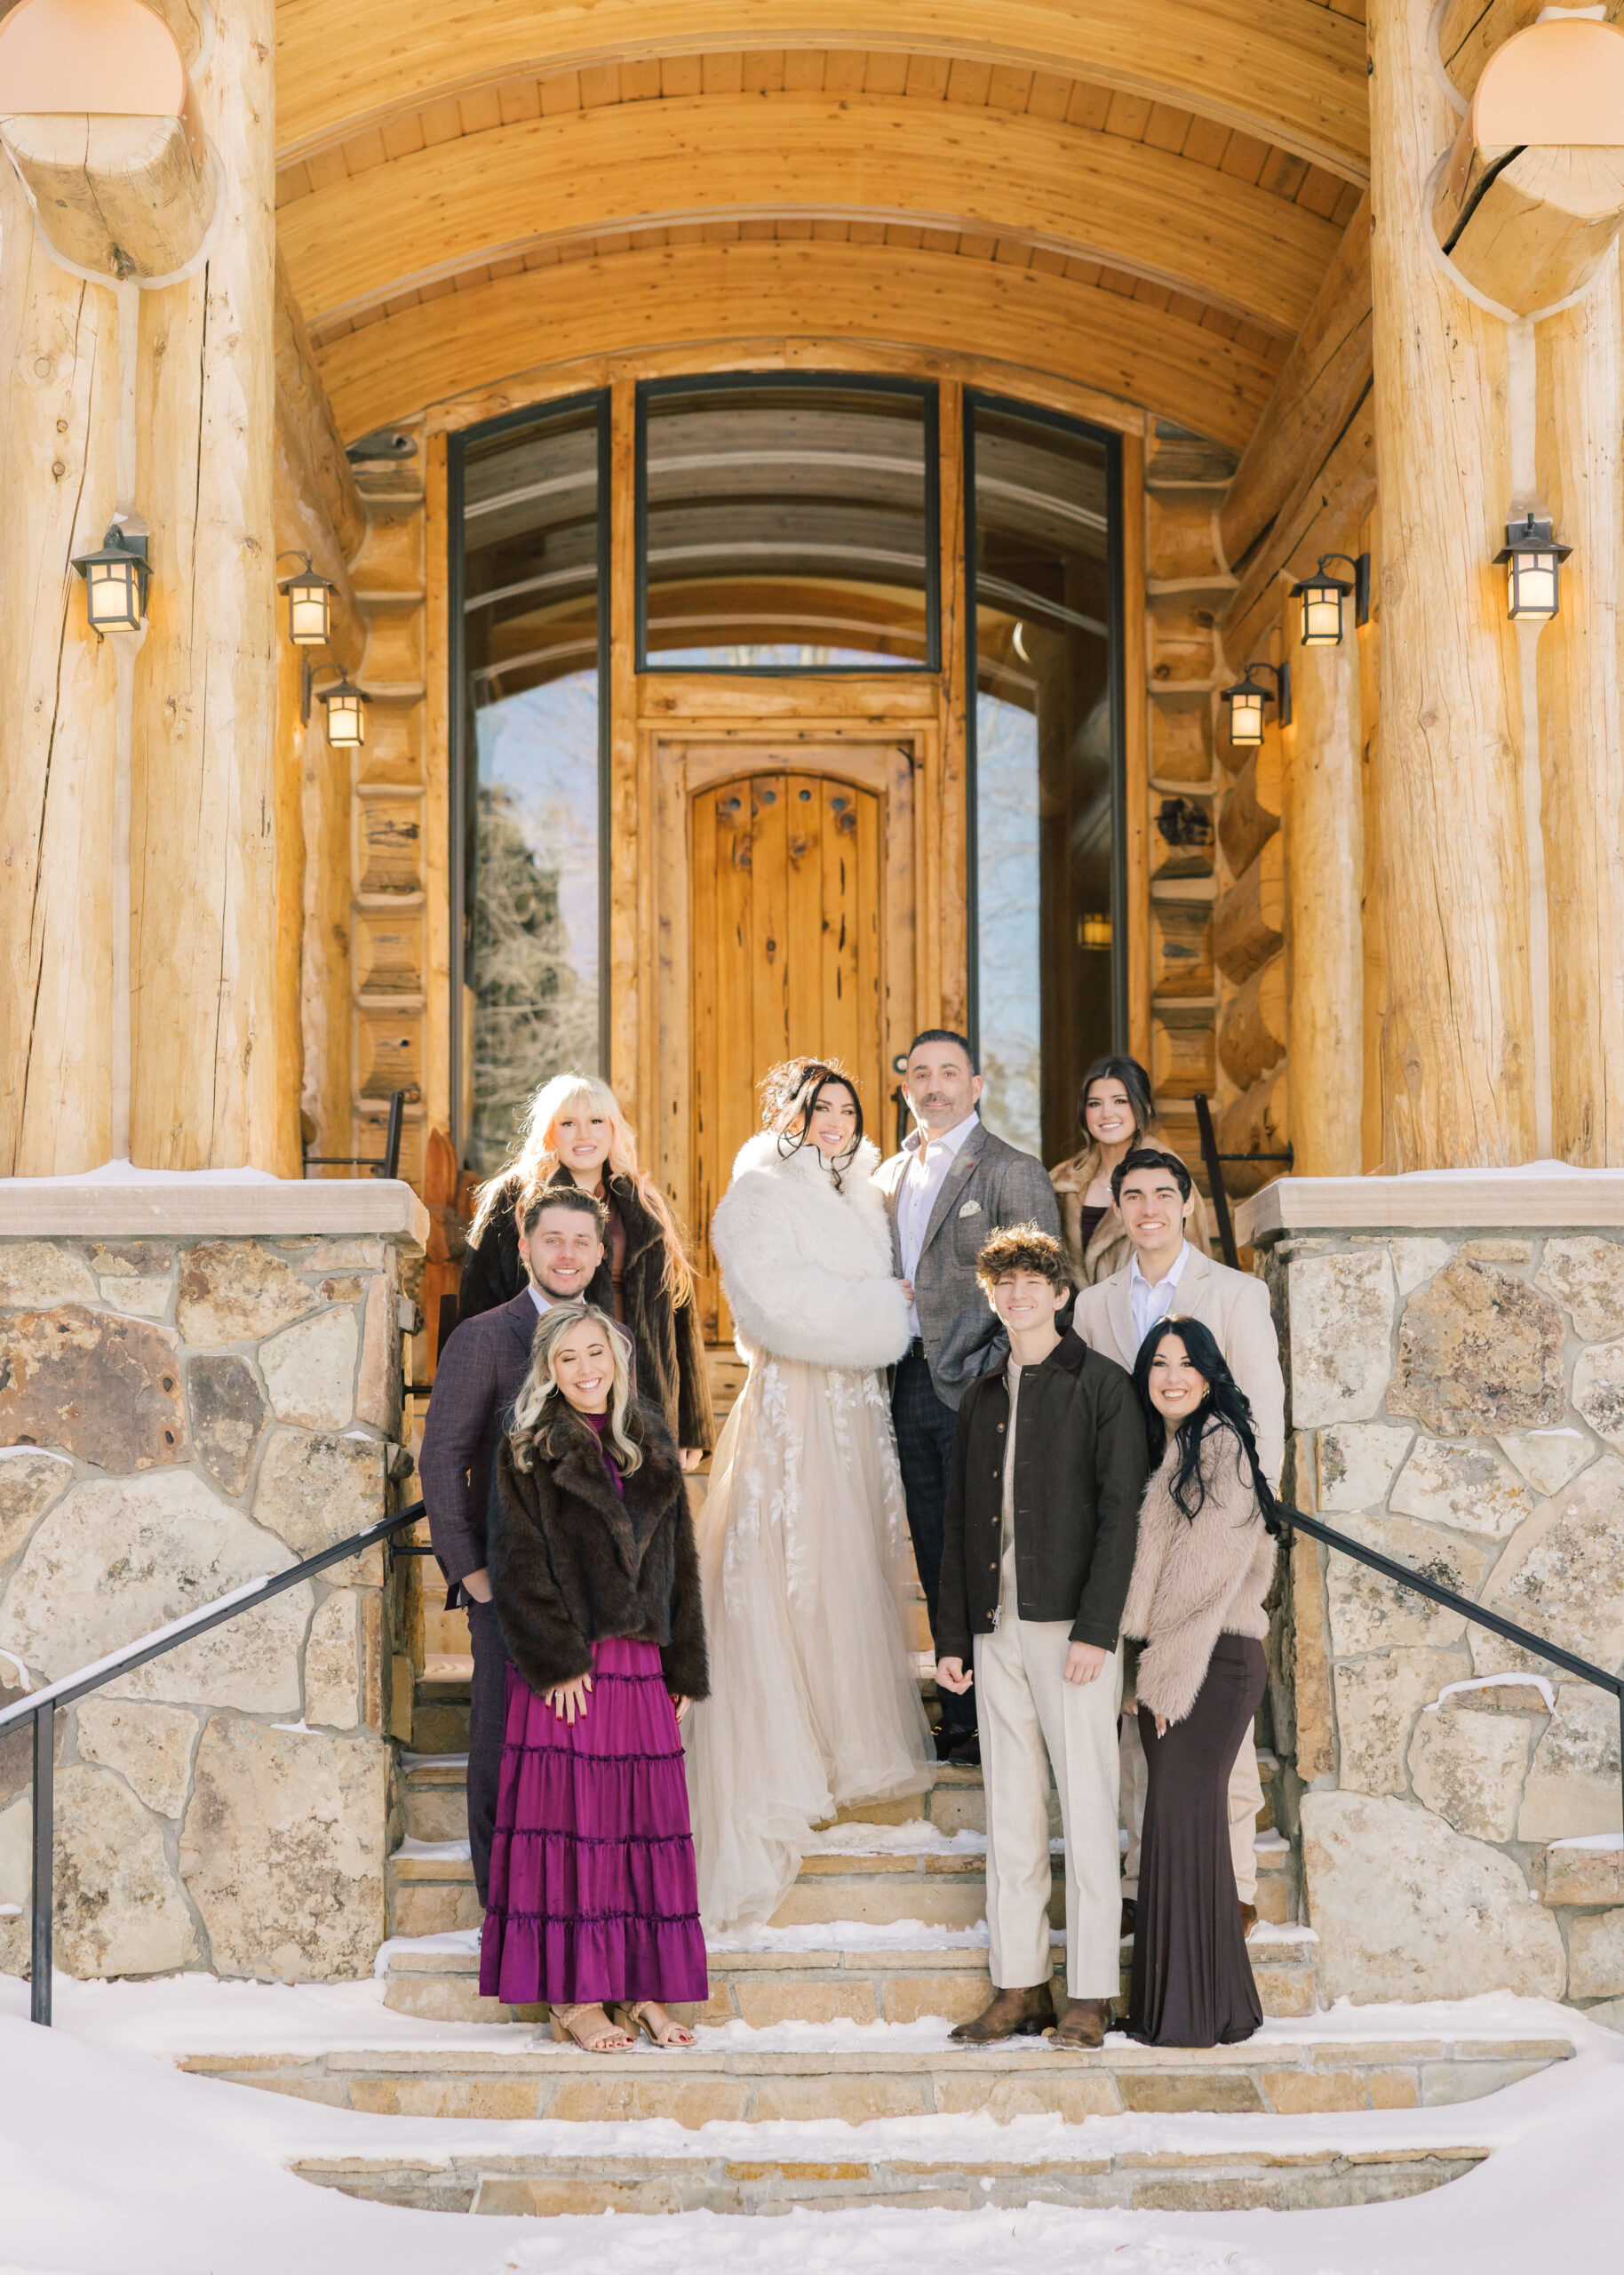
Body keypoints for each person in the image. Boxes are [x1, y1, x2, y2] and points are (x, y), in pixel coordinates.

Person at [684, 1058, 931, 1930]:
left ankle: (841, 1744)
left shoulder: (865, 1194)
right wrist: (883, 1311)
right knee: (782, 1571)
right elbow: (775, 1305)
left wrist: (885, 1305)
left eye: (845, 1108)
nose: (834, 1121)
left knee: (842, 1573)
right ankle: (784, 1757)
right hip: (792, 1408)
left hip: (853, 1414)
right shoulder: (756, 1193)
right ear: (786, 1113)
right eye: (818, 1106)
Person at [935, 1226, 1148, 2048]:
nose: (1018, 1295)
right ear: (992, 1298)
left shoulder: (1102, 1385)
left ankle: (1091, 1993)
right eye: (1004, 1285)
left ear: (1062, 1294)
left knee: (1089, 1809)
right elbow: (958, 1523)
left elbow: (1121, 1515)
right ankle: (1021, 1985)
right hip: (996, 1632)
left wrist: (1100, 1630)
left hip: (1073, 1633)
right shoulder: (984, 1394)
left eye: (1033, 1282)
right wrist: (953, 1633)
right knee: (1013, 1813)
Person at [481, 1302, 709, 2051]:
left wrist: (681, 1664)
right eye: (568, 1359)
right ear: (548, 1371)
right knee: (577, 1832)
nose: (586, 1370)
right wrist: (555, 1662)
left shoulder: (649, 1443)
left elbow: (680, 1565)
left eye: (596, 1354)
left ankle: (641, 1989)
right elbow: (517, 1565)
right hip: (571, 1671)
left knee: (642, 1830)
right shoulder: (528, 1451)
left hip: (641, 1667)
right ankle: (575, 2000)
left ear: (618, 1358)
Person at [1071, 1145, 1285, 1936]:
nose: (1149, 1207)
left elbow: (1262, 1417)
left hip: (1216, 1527)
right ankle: (1141, 1880)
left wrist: (1244, 1527)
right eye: (1134, 1194)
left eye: (1165, 1193)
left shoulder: (1235, 1293)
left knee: (1210, 1704)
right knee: (1138, 1710)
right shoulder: (1094, 1307)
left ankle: (1230, 1883)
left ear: (1188, 1204)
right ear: (1118, 1208)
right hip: (1133, 1532)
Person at [420, 1185, 633, 1908]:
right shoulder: (485, 1337)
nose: (567, 1254)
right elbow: (443, 1459)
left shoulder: (611, 1340)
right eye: (553, 1241)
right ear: (526, 1247)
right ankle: (503, 1917)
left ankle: (577, 1918)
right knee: (502, 1754)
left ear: (600, 1253)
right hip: (509, 1591)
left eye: (581, 1242)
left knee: (577, 1766)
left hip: (599, 1601)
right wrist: (472, 1573)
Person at [874, 1030, 1062, 1764]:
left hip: (981, 1385)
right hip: (904, 1380)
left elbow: (1041, 1283)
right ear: (906, 1088)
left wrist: (994, 1373)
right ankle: (961, 1716)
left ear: (977, 1085)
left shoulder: (1011, 1170)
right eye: (920, 1074)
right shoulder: (887, 1176)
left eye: (949, 1072)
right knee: (935, 1549)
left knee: (991, 1549)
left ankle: (1007, 1713)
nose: (935, 1085)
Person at [1120, 1318, 1282, 2048]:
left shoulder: (1220, 1447)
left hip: (1208, 1663)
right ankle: (1219, 2008)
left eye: (1187, 1364)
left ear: (1211, 1374)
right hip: (1198, 1661)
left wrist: (1161, 1681)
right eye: (1160, 1363)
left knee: (1181, 1831)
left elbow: (1200, 1579)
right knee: (1184, 1835)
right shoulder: (1180, 1447)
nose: (1173, 1375)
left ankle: (1183, 2015)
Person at [458, 1072, 713, 1469]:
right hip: (551, 1393)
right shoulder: (514, 1197)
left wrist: (692, 1424)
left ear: (613, 1130)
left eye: (596, 1121)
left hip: (644, 1395)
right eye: (568, 1123)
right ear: (548, 1133)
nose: (583, 1134)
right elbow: (478, 1308)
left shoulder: (645, 1202)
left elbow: (680, 1311)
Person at [1047, 1055, 1212, 1288]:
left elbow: (1195, 1275)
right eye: (1095, 1103)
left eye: (1120, 1101)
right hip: (1077, 1322)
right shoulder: (1060, 1183)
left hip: (1151, 1320)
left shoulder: (1171, 1177)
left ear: (1143, 1108)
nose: (1106, 1113)